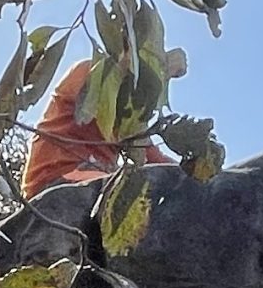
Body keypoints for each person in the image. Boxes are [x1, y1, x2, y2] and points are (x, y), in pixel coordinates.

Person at [20, 48, 188, 199]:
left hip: (93, 178)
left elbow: (150, 153)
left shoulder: (130, 112)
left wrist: (189, 176)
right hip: (56, 177)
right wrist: (161, 67)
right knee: (131, 198)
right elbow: (123, 125)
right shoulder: (90, 71)